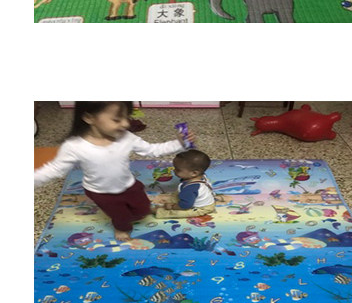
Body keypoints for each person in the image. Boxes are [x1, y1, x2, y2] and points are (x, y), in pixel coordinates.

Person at [34, 102, 193, 242]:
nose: (125, 123)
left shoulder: (126, 137)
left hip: (129, 185)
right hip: (101, 192)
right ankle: (121, 228)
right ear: (89, 118)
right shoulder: (74, 146)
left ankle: (138, 211)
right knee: (121, 217)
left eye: (127, 117)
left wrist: (179, 143)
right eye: (117, 119)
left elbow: (152, 150)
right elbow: (54, 169)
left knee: (143, 209)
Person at [154, 149, 216, 218]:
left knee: (179, 213)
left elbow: (186, 205)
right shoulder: (200, 176)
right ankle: (170, 201)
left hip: (203, 208)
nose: (174, 170)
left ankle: (157, 211)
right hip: (191, 197)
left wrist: (173, 206)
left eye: (177, 169)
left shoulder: (190, 188)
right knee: (177, 194)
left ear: (194, 173)